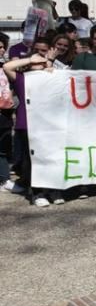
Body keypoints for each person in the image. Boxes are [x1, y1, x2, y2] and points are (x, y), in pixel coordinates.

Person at [3, 38, 63, 206]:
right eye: (36, 61)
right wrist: (30, 59)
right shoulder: (22, 78)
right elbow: (7, 67)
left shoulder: (51, 78)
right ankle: (37, 193)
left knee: (52, 158)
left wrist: (49, 64)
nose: (39, 63)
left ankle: (53, 190)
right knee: (32, 161)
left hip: (49, 125)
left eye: (41, 62)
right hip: (27, 124)